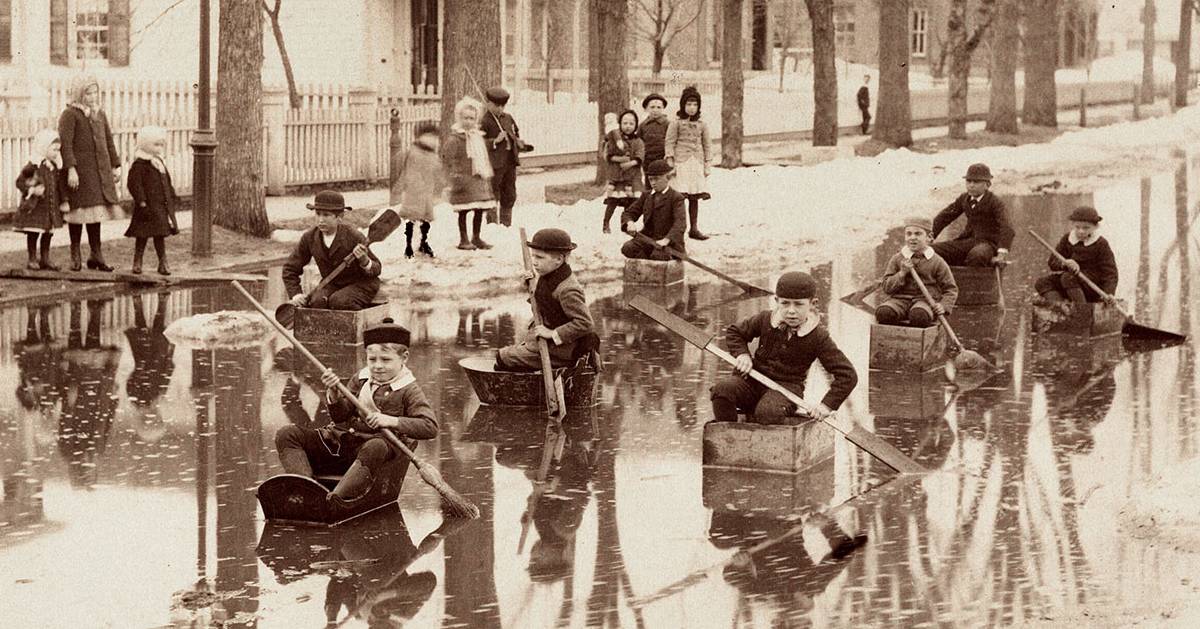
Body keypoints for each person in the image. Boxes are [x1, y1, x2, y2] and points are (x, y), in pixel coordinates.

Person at [274, 319, 438, 505]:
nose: (377, 366)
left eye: (385, 360)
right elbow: (340, 417)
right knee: (286, 434)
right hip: (340, 444)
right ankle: (306, 490)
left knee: (376, 445)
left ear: (404, 358)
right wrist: (334, 393)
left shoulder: (409, 389)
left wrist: (390, 421)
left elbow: (430, 427)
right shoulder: (361, 379)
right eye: (372, 359)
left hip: (371, 455)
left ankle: (336, 500)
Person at [710, 272, 858, 424]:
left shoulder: (818, 337)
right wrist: (742, 355)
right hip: (752, 380)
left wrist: (826, 406)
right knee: (722, 390)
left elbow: (847, 375)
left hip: (786, 391)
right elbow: (735, 332)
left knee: (768, 412)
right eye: (785, 303)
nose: (791, 311)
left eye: (799, 304)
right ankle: (728, 439)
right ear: (776, 301)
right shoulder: (766, 319)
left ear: (813, 304)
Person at [495, 228, 599, 371]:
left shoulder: (568, 289)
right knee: (503, 357)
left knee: (503, 358)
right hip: (546, 343)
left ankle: (533, 386)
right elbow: (544, 306)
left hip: (564, 350)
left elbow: (585, 323)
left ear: (559, 259)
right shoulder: (549, 277)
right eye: (533, 257)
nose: (535, 262)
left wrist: (552, 334)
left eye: (540, 257)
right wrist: (529, 286)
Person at [59, 74, 121, 272]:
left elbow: (108, 140)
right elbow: (65, 145)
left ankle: (96, 254)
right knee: (78, 213)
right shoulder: (70, 114)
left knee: (95, 213)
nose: (93, 97)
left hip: (97, 172)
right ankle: (75, 254)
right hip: (79, 173)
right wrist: (71, 169)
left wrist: (115, 165)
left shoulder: (99, 114)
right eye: (88, 93)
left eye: (95, 92)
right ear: (79, 94)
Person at [282, 190, 382, 311]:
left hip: (361, 284)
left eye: (326, 215)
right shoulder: (310, 238)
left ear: (339, 217)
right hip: (332, 284)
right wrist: (296, 294)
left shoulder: (353, 236)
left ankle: (354, 327)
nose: (320, 220)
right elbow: (290, 269)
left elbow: (377, 269)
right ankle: (321, 330)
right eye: (318, 214)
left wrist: (364, 260)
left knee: (340, 301)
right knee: (316, 302)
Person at [875, 217, 959, 326]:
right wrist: (901, 273)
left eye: (918, 234)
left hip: (925, 302)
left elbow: (951, 289)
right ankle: (897, 337)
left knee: (919, 315)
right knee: (883, 313)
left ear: (929, 237)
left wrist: (943, 306)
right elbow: (886, 287)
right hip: (900, 301)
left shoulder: (937, 261)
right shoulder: (897, 258)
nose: (912, 238)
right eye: (908, 234)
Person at [931, 163, 1014, 267]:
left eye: (976, 181)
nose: (971, 185)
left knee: (977, 255)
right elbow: (944, 217)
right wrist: (929, 237)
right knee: (930, 251)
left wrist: (1001, 254)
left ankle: (974, 281)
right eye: (968, 181)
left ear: (987, 184)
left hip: (988, 244)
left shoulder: (995, 202)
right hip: (966, 242)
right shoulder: (964, 198)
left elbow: (1007, 228)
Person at [1035, 206, 1118, 304]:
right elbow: (1052, 262)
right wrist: (1065, 264)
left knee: (1068, 278)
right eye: (1077, 227)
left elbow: (1110, 273)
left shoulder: (1100, 244)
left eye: (1086, 227)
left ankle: (1082, 312)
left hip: (1091, 287)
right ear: (1073, 225)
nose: (1081, 231)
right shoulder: (1067, 239)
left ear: (1096, 227)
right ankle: (1062, 307)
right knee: (1042, 283)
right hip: (1070, 284)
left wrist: (1109, 293)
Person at [443, 97, 496, 250]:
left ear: (476, 119)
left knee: (479, 208)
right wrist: (453, 174)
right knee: (464, 210)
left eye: (471, 118)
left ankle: (477, 236)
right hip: (462, 178)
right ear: (459, 118)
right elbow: (447, 157)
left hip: (478, 177)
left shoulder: (477, 137)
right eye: (465, 118)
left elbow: (482, 155)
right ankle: (463, 238)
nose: (468, 121)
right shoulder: (455, 139)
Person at [125, 126, 179, 275]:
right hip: (146, 207)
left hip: (160, 207)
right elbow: (134, 184)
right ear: (145, 145)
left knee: (160, 235)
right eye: (156, 145)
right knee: (142, 236)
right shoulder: (140, 164)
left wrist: (171, 194)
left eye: (161, 145)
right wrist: (141, 200)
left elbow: (165, 180)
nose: (159, 148)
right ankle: (137, 262)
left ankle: (163, 262)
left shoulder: (159, 162)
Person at [13, 129, 67, 271]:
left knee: (48, 232)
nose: (56, 153)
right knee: (34, 232)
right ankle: (32, 258)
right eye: (54, 149)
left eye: (58, 150)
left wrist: (64, 201)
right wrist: (32, 190)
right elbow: (19, 182)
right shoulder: (33, 166)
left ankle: (45, 258)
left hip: (50, 207)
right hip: (36, 208)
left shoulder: (54, 166)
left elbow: (59, 185)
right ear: (43, 147)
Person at [665, 85, 712, 240]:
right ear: (683, 105)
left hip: (696, 163)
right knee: (680, 197)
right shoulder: (676, 123)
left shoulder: (702, 124)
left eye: (695, 104)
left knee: (694, 196)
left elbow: (707, 145)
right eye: (688, 104)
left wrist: (707, 163)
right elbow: (669, 142)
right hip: (681, 162)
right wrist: (670, 160)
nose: (691, 108)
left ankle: (694, 228)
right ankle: (677, 229)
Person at [391, 121, 444, 258]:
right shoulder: (413, 153)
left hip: (427, 192)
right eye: (428, 136)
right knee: (411, 219)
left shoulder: (433, 155)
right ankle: (408, 245)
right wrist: (399, 187)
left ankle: (423, 242)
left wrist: (440, 186)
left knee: (426, 219)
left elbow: (437, 172)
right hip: (414, 192)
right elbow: (404, 172)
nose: (431, 140)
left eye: (434, 137)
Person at [619, 159, 686, 260]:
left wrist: (666, 240)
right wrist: (629, 222)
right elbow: (629, 213)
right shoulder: (646, 196)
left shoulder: (676, 198)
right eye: (650, 179)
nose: (653, 183)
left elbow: (680, 224)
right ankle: (645, 268)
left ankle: (655, 263)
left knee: (658, 256)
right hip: (647, 239)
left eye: (657, 179)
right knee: (627, 248)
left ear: (667, 178)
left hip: (669, 243)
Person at [480, 86, 528, 227]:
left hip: (509, 162)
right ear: (488, 103)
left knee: (509, 193)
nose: (500, 109)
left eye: (503, 106)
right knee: (493, 192)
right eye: (496, 105)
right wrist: (494, 141)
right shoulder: (485, 121)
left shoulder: (508, 118)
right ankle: (493, 225)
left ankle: (506, 225)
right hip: (494, 164)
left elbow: (515, 133)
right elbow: (479, 143)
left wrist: (518, 142)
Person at [602, 110, 645, 234]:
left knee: (630, 201)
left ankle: (625, 223)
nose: (628, 126)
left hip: (632, 176)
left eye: (631, 123)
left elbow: (640, 156)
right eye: (625, 123)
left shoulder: (638, 141)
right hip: (617, 176)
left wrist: (630, 163)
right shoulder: (615, 140)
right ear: (620, 124)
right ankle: (606, 223)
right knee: (613, 200)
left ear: (636, 125)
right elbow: (608, 155)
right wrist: (618, 159)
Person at [639, 93, 669, 191]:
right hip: (648, 160)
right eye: (652, 107)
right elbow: (639, 142)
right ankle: (649, 204)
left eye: (658, 107)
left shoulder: (668, 124)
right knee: (649, 184)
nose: (655, 110)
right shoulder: (643, 125)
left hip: (662, 159)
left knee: (663, 184)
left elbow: (671, 141)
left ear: (663, 108)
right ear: (647, 109)